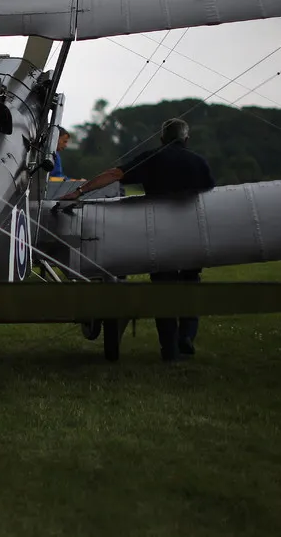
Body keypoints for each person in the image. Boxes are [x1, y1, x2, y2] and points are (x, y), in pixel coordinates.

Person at [60, 117, 214, 361]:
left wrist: (79, 191)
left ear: (162, 138)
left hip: (160, 235)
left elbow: (114, 174)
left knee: (163, 295)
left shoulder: (152, 158)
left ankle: (170, 351)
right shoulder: (200, 163)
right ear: (186, 139)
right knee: (190, 286)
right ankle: (186, 336)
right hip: (191, 235)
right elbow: (209, 198)